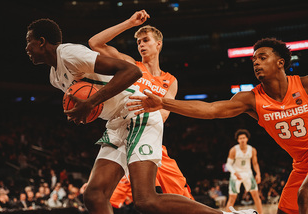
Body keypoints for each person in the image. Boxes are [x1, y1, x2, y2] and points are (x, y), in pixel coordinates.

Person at [25, 18, 256, 214]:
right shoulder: (55, 77)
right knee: (94, 195)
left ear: (42, 41)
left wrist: (92, 102)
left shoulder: (70, 54)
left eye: (28, 42)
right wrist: (83, 110)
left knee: (146, 201)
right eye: (139, 41)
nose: (26, 48)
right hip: (117, 123)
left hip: (141, 116)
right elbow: (91, 96)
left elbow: (130, 73)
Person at [128, 37, 308, 214]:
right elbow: (210, 109)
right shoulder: (251, 99)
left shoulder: (304, 85)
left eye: (262, 58)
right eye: (254, 60)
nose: (256, 63)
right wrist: (163, 103)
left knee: (304, 195)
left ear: (280, 63)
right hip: (301, 165)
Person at [88, 9, 193, 200]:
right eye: (138, 42)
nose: (141, 45)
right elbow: (95, 43)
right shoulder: (132, 66)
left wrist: (149, 110)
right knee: (104, 197)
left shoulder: (171, 81)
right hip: (124, 135)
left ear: (158, 44)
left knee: (181, 192)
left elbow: (164, 114)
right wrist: (129, 23)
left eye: (146, 40)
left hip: (150, 139)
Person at [225, 129, 262, 214]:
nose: (242, 140)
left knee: (256, 196)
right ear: (238, 140)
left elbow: (255, 163)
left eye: (244, 138)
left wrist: (258, 174)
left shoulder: (252, 150)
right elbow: (228, 165)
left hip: (248, 173)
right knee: (232, 198)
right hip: (236, 174)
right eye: (240, 138)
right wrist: (234, 173)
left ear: (247, 139)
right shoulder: (233, 150)